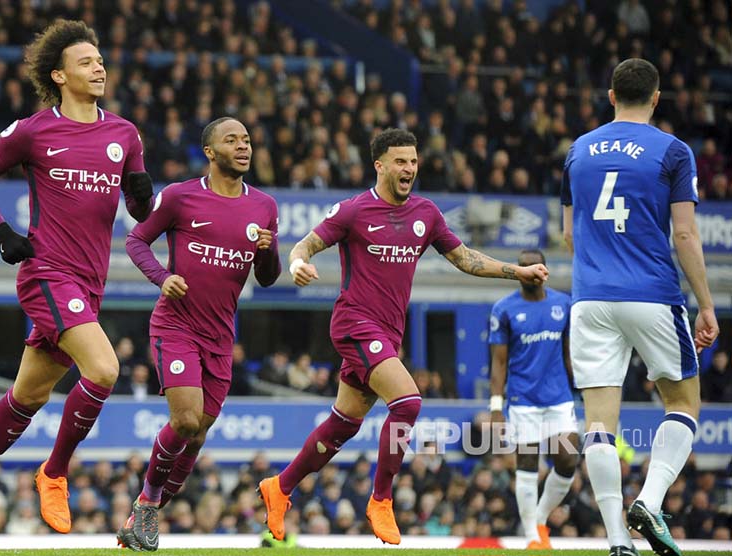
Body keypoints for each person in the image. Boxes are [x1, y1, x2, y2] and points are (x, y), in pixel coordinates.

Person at [258, 128, 548, 545]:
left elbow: (465, 259)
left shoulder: (426, 213)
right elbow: (306, 245)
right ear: (380, 165)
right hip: (355, 324)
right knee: (409, 401)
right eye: (400, 161)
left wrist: (516, 271)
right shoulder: (354, 210)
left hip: (388, 336)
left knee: (344, 424)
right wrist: (297, 261)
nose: (409, 168)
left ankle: (280, 487)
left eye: (413, 161)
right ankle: (380, 499)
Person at [0, 20, 154, 545]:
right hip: (46, 274)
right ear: (58, 75)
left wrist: (144, 195)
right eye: (86, 61)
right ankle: (54, 472)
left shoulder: (125, 134)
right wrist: (2, 231)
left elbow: (140, 211)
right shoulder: (35, 129)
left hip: (89, 282)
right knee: (103, 368)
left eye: (100, 59)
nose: (98, 66)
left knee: (27, 397)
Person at [561, 58, 718, 556]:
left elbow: (569, 233)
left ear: (610, 96)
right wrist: (707, 305)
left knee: (600, 423)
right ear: (655, 98)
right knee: (683, 403)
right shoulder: (673, 151)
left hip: (590, 298)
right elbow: (687, 234)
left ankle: (616, 542)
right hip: (652, 295)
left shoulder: (577, 151)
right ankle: (649, 501)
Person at [117, 117, 280, 551]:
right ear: (210, 151)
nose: (243, 146)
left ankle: (141, 515)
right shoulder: (180, 196)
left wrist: (268, 251)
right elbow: (136, 240)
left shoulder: (264, 206)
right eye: (232, 140)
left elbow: (267, 278)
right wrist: (161, 277)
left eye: (247, 139)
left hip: (221, 335)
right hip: (176, 325)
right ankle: (149, 504)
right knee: (186, 420)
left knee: (199, 431)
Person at [488, 248, 578, 550]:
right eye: (522, 267)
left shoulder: (563, 304)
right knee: (526, 462)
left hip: (559, 398)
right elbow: (498, 363)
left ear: (545, 270)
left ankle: (539, 519)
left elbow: (569, 353)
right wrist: (496, 408)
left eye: (534, 267)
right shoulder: (503, 309)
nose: (528, 271)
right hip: (522, 399)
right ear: (517, 271)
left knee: (568, 458)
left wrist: (583, 385)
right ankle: (531, 537)